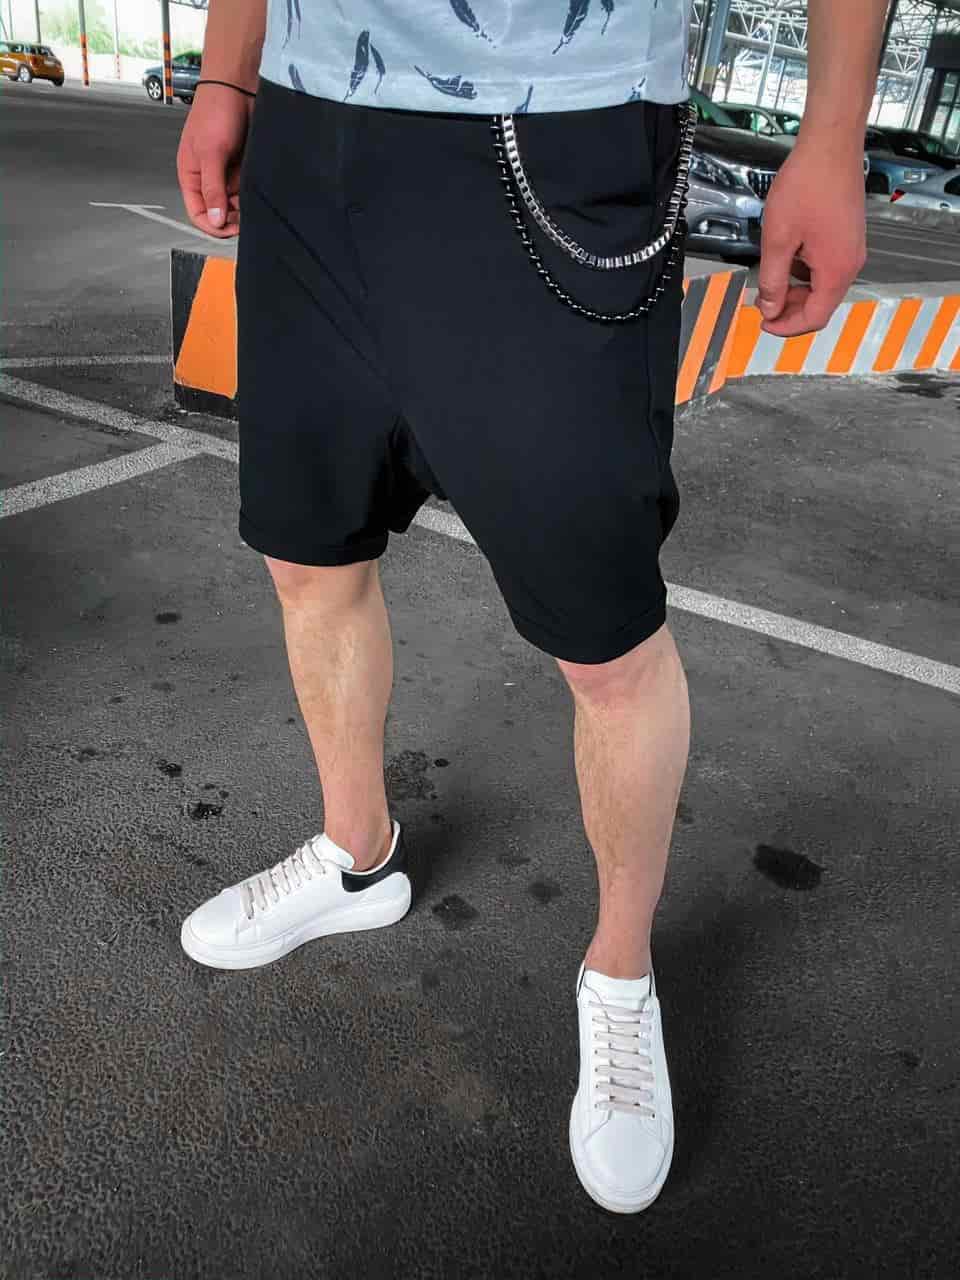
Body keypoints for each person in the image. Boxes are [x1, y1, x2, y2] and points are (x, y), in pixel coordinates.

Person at [176, 0, 887, 1214]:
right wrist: (230, 77)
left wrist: (830, 134)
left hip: (549, 127)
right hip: (307, 124)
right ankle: (356, 855)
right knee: (308, 551)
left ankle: (620, 969)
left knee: (605, 636)